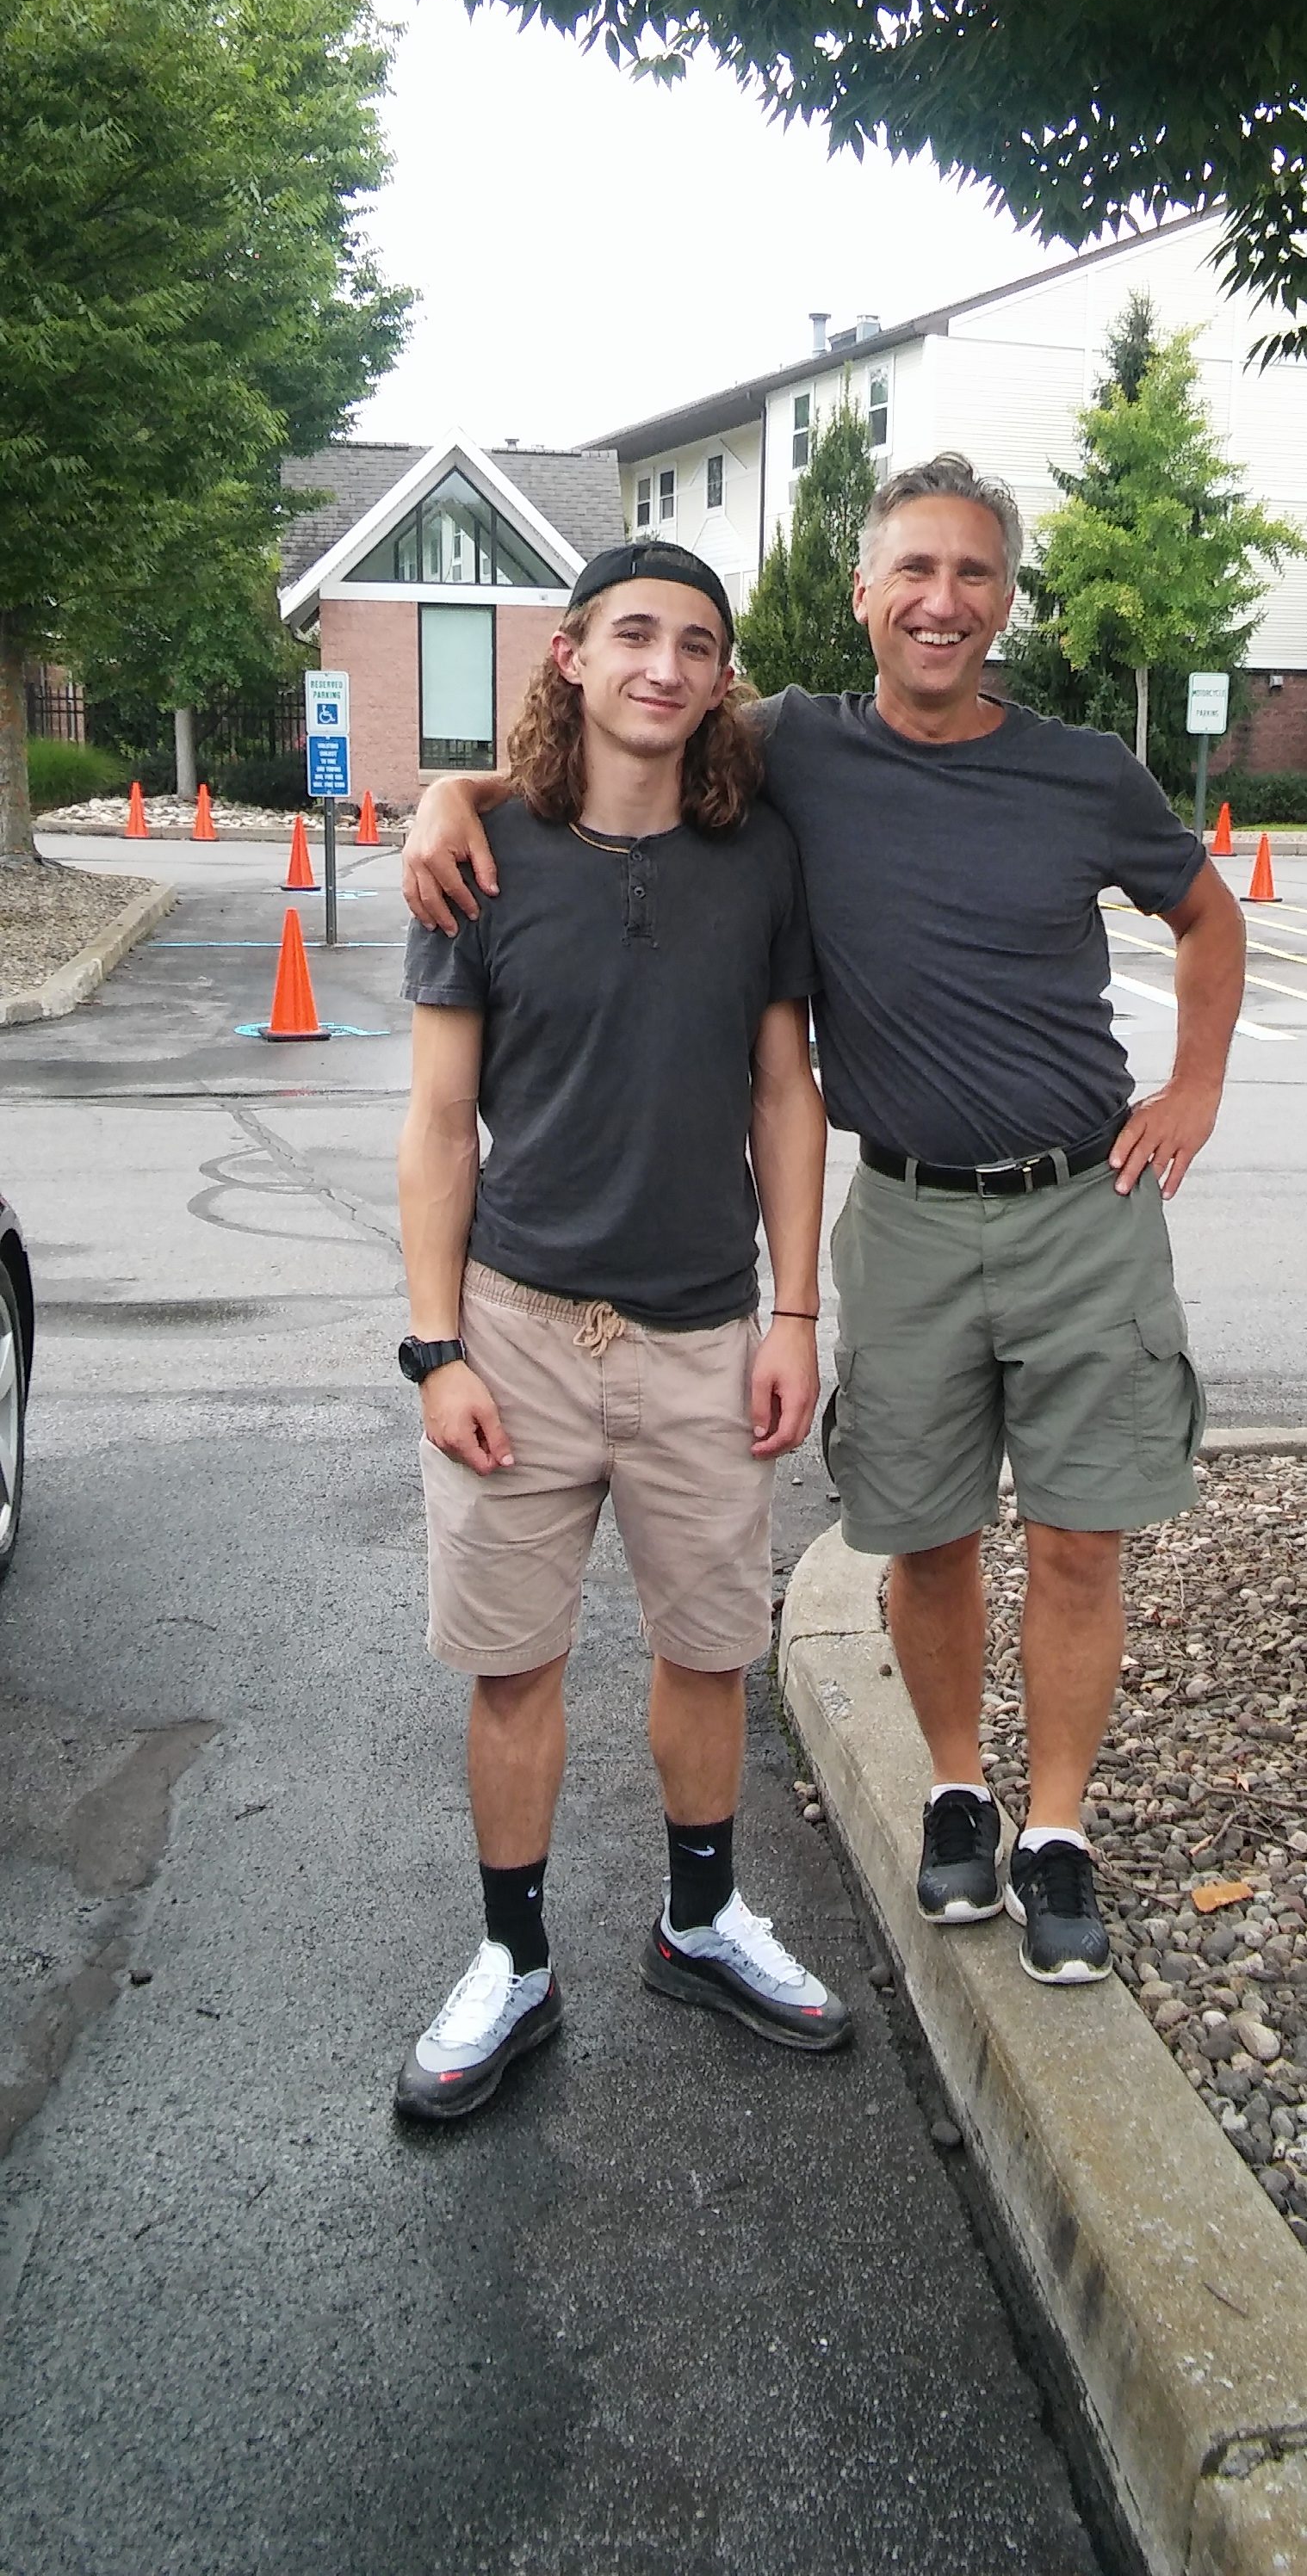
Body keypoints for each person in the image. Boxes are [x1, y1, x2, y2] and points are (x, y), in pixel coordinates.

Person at [402, 457, 1247, 1995]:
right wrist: (448, 796)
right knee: (923, 1533)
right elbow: (610, 750)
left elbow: (1208, 914)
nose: (942, 601)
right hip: (901, 1214)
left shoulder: (1081, 774)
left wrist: (1192, 1086)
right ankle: (955, 1791)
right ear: (862, 595)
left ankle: (1055, 1831)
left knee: (1078, 1538)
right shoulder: (796, 744)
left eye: (974, 573)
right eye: (914, 570)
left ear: (1006, 601)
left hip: (1083, 1205)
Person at [394, 538, 849, 2123]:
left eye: (699, 644)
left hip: (704, 1332)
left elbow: (785, 1093)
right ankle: (512, 1959)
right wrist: (437, 1349)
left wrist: (796, 1312)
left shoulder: (759, 855)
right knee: (513, 1664)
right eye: (635, 634)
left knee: (708, 1651)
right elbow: (438, 1124)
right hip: (516, 1328)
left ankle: (700, 1921)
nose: (666, 665)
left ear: (723, 680)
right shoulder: (479, 859)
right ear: (572, 654)